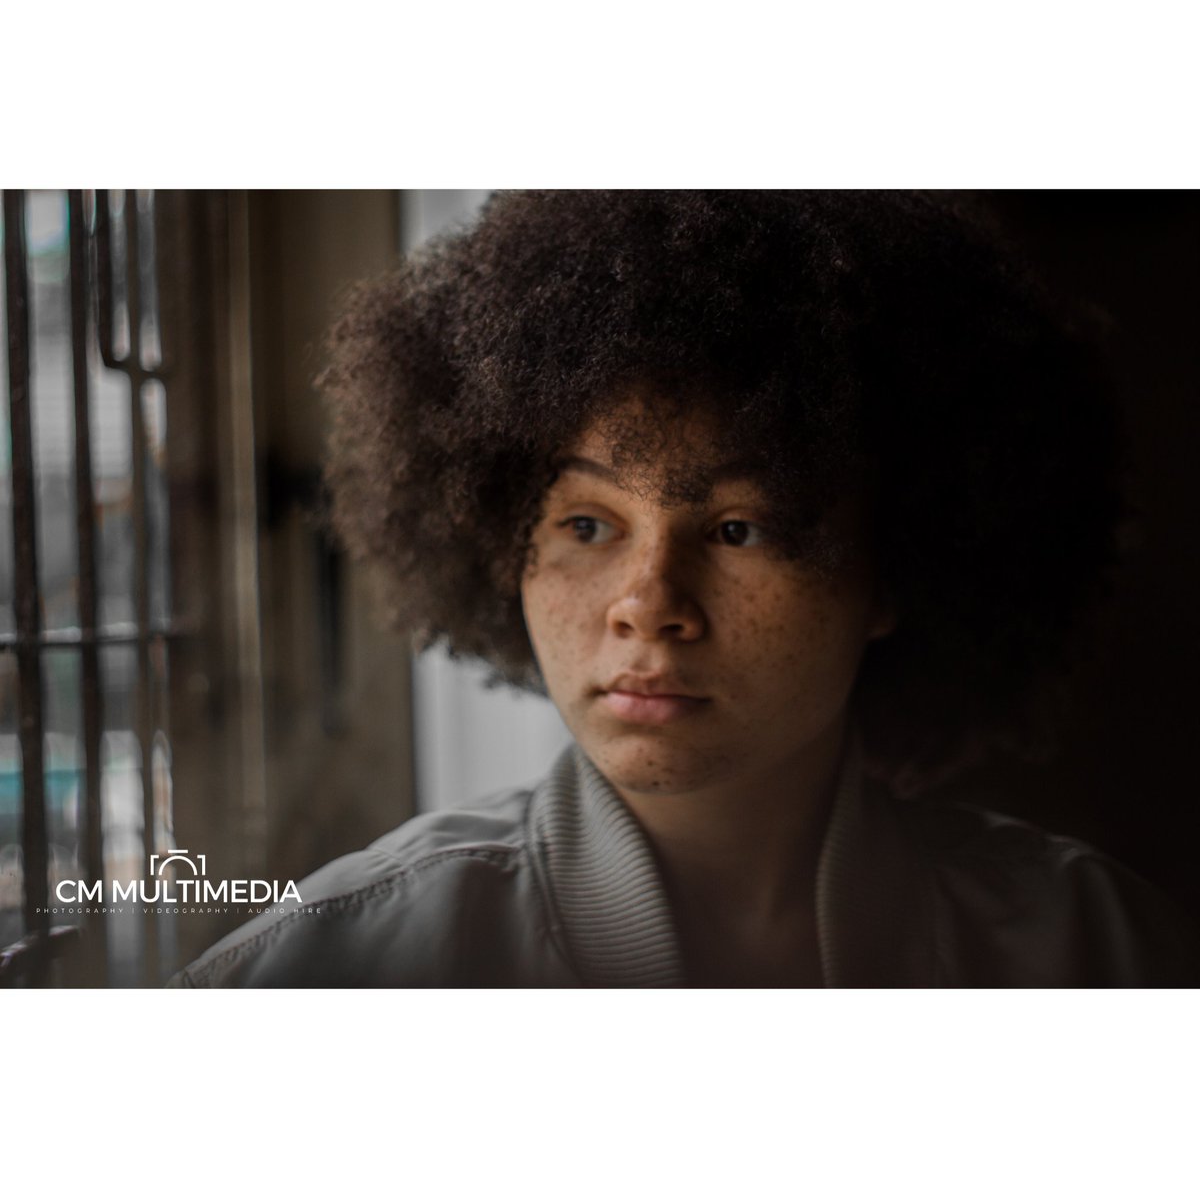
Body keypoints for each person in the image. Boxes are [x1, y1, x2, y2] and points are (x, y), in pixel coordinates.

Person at [172, 190, 1199, 988]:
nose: (648, 600)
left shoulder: (1091, 949)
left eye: (741, 529)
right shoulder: (343, 968)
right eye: (585, 525)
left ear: (895, 569)